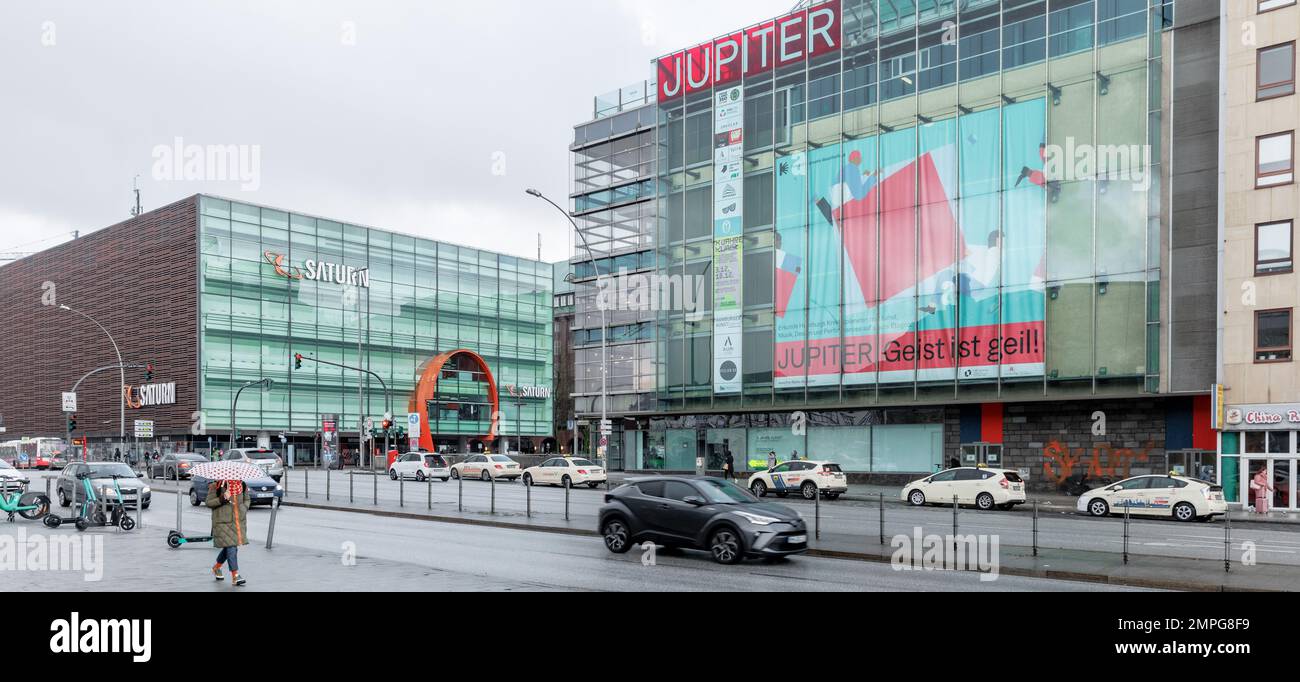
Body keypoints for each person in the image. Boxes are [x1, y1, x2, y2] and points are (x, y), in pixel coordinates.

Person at [206, 480, 250, 587]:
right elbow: (209, 502)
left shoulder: (242, 485)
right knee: (231, 547)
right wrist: (222, 498)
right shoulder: (216, 486)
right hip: (222, 522)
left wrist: (244, 508)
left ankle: (216, 567)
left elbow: (247, 499)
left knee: (229, 547)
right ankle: (235, 576)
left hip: (237, 522)